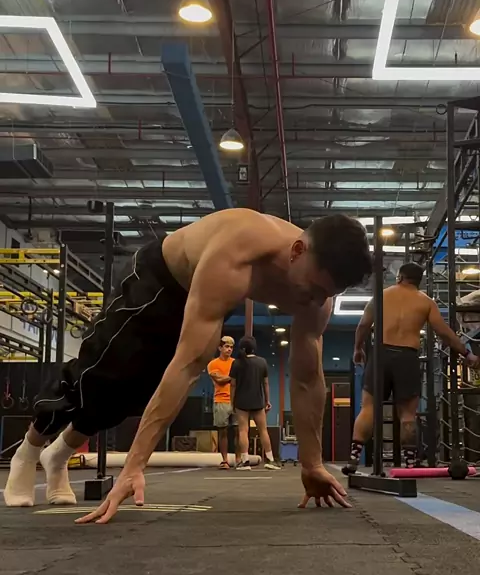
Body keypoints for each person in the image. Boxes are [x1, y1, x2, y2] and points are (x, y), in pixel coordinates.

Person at [4, 208, 372, 519]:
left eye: (329, 294)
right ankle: (29, 449)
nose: (318, 300)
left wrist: (312, 464)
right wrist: (133, 467)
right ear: (297, 251)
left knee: (137, 394)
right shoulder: (238, 251)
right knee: (101, 371)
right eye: (315, 288)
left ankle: (59, 454)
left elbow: (307, 380)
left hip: (205, 295)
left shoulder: (318, 300)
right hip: (160, 281)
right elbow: (191, 363)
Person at [346, 261, 480, 472]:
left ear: (399, 277)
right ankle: (409, 463)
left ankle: (353, 458)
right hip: (407, 357)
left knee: (369, 408)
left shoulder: (381, 296)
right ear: (419, 281)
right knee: (408, 414)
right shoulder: (425, 302)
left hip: (380, 355)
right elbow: (444, 332)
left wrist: (357, 349)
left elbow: (363, 325)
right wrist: (467, 353)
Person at [229, 335, 280, 471]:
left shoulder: (236, 363)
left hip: (241, 401)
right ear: (254, 348)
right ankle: (270, 460)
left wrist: (232, 402)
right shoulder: (262, 362)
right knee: (263, 430)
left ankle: (245, 461)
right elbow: (266, 383)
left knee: (243, 431)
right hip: (258, 400)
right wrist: (267, 400)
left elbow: (232, 385)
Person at [207, 335, 240, 469]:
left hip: (236, 401)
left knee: (239, 431)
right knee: (223, 431)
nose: (229, 349)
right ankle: (225, 460)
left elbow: (241, 379)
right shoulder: (213, 364)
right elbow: (219, 380)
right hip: (221, 400)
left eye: (231, 347)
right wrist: (233, 376)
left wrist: (229, 377)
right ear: (220, 348)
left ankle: (238, 459)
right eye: (226, 346)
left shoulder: (236, 363)